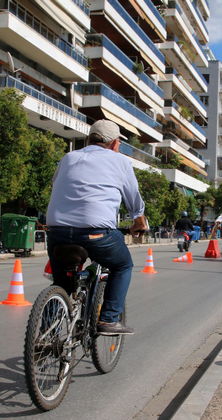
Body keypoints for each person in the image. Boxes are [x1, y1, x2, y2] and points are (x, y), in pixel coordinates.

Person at [46, 119, 147, 336]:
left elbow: (58, 186)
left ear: (89, 139)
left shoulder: (68, 157)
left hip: (57, 232)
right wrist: (139, 224)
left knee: (61, 284)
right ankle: (109, 319)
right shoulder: (120, 161)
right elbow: (134, 203)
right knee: (123, 266)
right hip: (96, 234)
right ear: (114, 143)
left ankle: (45, 335)